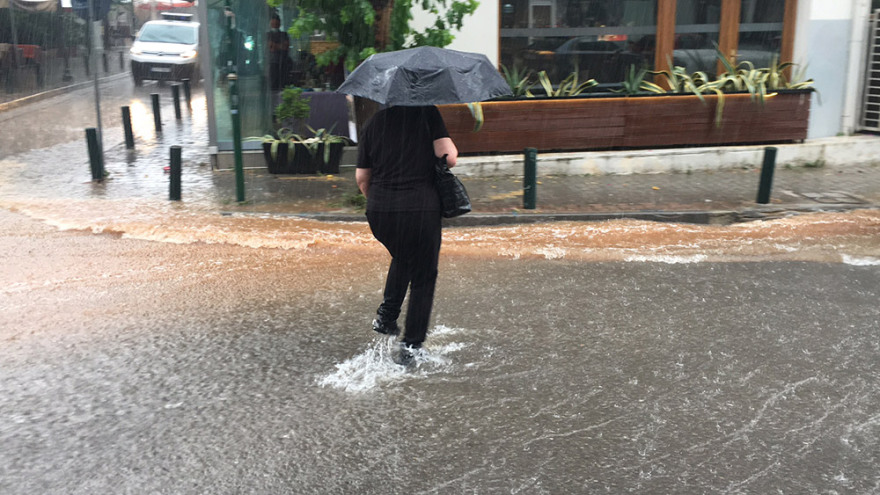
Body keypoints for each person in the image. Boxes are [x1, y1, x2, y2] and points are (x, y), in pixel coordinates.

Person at [356, 105, 458, 366]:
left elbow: (362, 178)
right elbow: (449, 157)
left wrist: (384, 203)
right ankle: (411, 346)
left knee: (403, 254)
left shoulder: (373, 122)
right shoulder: (427, 113)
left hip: (380, 211)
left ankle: (387, 316)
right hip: (420, 208)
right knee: (424, 276)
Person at [267, 15, 291, 90]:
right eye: (273, 23)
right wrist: (280, 46)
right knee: (273, 82)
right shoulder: (268, 35)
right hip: (272, 62)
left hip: (283, 62)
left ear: (279, 24)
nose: (275, 25)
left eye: (276, 23)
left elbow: (285, 46)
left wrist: (275, 46)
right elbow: (270, 48)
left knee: (283, 82)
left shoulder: (284, 34)